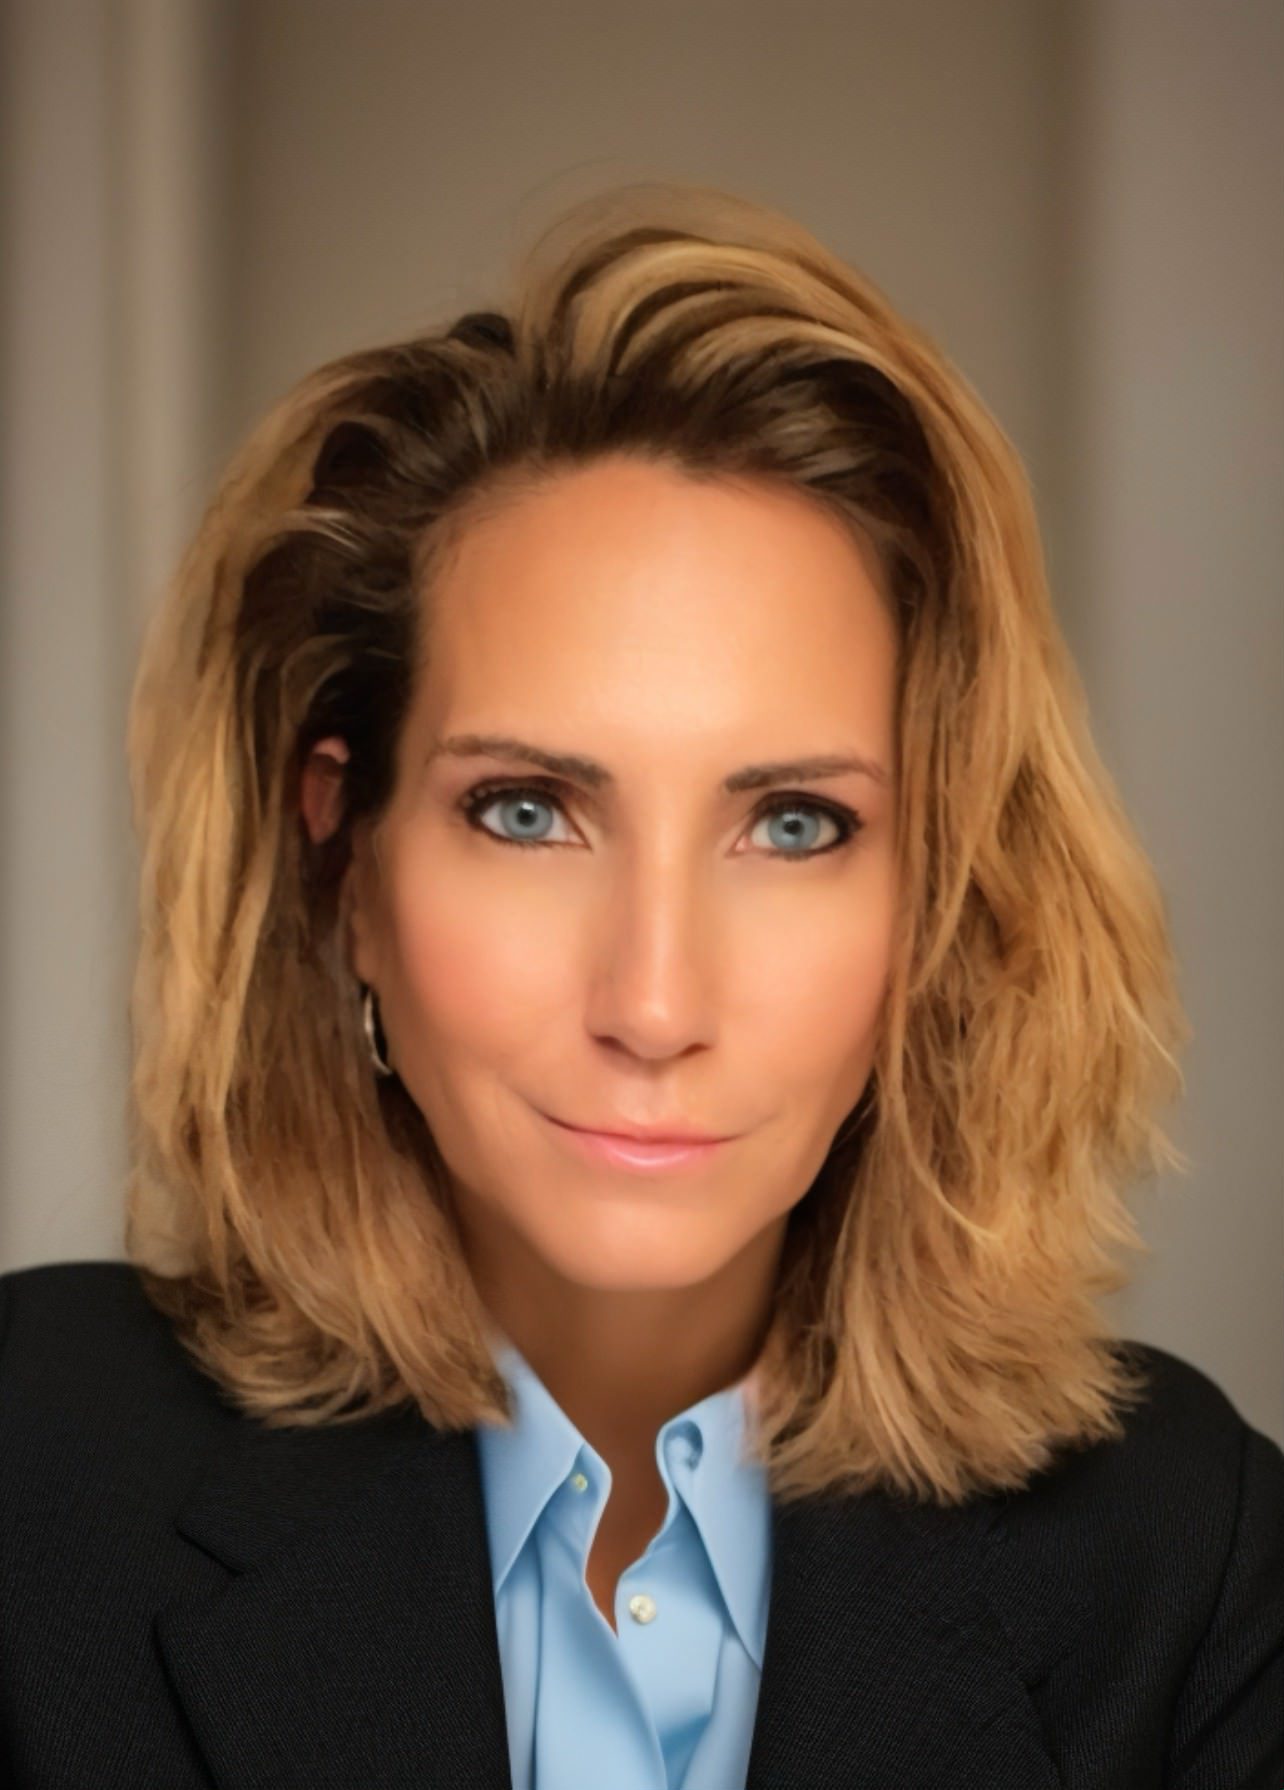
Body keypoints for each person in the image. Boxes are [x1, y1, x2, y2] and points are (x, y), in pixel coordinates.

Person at [0, 181, 1279, 1790]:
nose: (655, 999)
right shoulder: (28, 1469)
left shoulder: (1189, 1556)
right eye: (528, 812)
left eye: (795, 824)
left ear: (940, 902)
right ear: (348, 868)